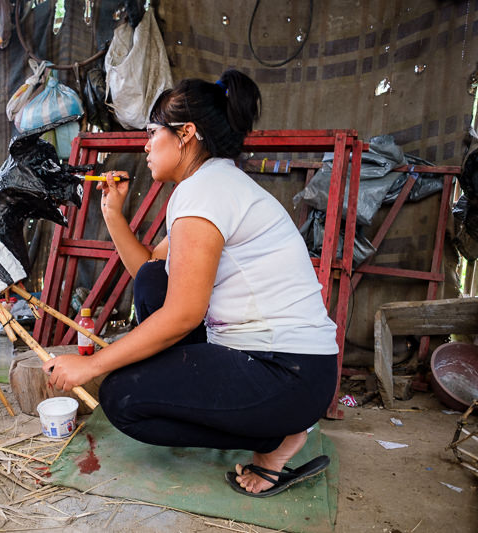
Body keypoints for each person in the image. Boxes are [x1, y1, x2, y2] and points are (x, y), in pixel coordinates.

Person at [43, 70, 339, 497]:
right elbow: (149, 270)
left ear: (186, 134)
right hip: (286, 367)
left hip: (287, 374)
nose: (146, 145)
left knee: (123, 399)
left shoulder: (206, 192)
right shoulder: (210, 185)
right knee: (150, 281)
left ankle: (275, 438)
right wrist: (112, 215)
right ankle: (263, 421)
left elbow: (183, 315)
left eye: (152, 133)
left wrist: (91, 364)